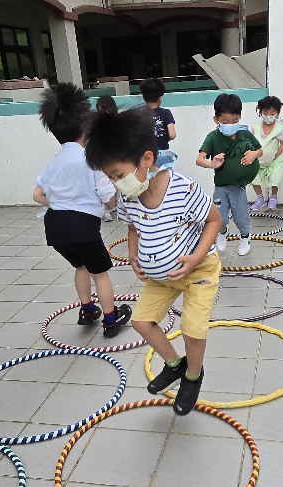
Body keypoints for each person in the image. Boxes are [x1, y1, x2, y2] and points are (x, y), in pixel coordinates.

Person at [85, 107, 224, 416]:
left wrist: (195, 258)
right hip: (161, 278)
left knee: (192, 330)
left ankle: (193, 376)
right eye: (110, 178)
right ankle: (175, 364)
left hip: (198, 270)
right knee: (141, 322)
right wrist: (133, 254)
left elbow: (214, 221)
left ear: (146, 159)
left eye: (118, 175)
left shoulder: (183, 188)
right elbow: (133, 227)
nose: (116, 183)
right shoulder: (129, 197)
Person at [34, 84, 131, 336]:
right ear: (87, 129)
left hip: (54, 228)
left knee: (81, 267)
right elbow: (108, 197)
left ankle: (87, 311)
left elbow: (37, 195)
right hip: (83, 228)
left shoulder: (53, 162)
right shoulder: (90, 159)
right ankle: (111, 319)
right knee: (101, 274)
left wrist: (61, 200)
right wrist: (111, 206)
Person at [197, 92, 263, 256]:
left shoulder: (244, 134)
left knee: (241, 216)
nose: (230, 125)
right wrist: (212, 164)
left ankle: (245, 237)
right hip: (220, 186)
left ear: (239, 117)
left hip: (238, 187)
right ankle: (222, 232)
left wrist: (254, 154)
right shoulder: (213, 137)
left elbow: (260, 150)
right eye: (225, 122)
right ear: (216, 120)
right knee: (220, 217)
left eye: (234, 121)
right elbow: (199, 160)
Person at [249, 95, 283, 212]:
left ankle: (273, 198)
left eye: (272, 113)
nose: (268, 116)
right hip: (258, 160)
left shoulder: (278, 129)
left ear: (277, 113)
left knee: (275, 177)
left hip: (274, 160)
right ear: (260, 112)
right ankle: (260, 198)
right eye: (265, 113)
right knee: (253, 177)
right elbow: (250, 140)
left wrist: (276, 155)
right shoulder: (256, 127)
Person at [140, 76, 178, 169]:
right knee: (165, 177)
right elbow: (172, 135)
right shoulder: (166, 113)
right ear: (160, 97)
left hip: (146, 156)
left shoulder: (139, 115)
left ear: (144, 97)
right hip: (163, 154)